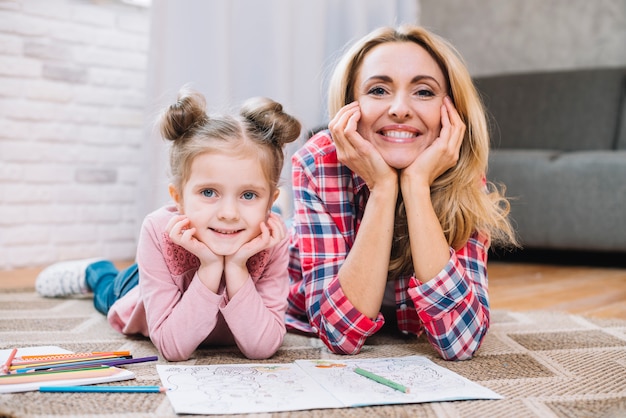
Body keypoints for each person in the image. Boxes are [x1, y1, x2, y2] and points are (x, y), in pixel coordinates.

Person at [285, 24, 518, 361]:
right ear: (351, 106)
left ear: (449, 111)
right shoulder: (318, 162)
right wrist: (382, 188)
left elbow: (461, 341)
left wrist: (416, 185)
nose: (399, 108)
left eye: (423, 92)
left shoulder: (461, 169)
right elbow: (338, 336)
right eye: (378, 90)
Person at [35, 88, 301, 361]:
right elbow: (173, 349)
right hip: (141, 285)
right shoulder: (157, 228)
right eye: (209, 192)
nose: (229, 213)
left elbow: (262, 347)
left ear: (270, 203)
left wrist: (236, 266)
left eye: (248, 195)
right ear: (178, 198)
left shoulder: (272, 237)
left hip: (184, 275)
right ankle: (95, 270)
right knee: (108, 290)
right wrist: (210, 267)